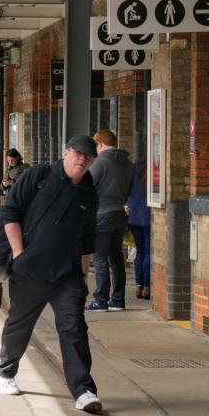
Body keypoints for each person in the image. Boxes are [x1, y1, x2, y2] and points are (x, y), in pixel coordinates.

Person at [0, 135, 105, 413]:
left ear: (93, 161)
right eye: (77, 153)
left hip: (67, 275)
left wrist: (83, 274)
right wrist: (19, 254)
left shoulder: (89, 192)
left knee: (74, 328)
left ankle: (83, 390)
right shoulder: (38, 175)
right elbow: (10, 211)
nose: (82, 159)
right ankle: (6, 371)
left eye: (88, 156)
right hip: (30, 269)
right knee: (20, 324)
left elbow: (89, 237)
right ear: (66, 153)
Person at [86, 129, 135, 311]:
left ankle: (100, 300)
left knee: (99, 258)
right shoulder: (128, 164)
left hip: (101, 214)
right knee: (116, 257)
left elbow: (87, 186)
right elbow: (129, 190)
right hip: (119, 214)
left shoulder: (100, 162)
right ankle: (118, 300)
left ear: (100, 144)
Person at [128, 171, 152, 301]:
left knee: (140, 252)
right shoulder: (153, 167)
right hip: (148, 215)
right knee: (149, 252)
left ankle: (139, 285)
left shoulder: (134, 167)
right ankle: (147, 287)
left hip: (134, 215)